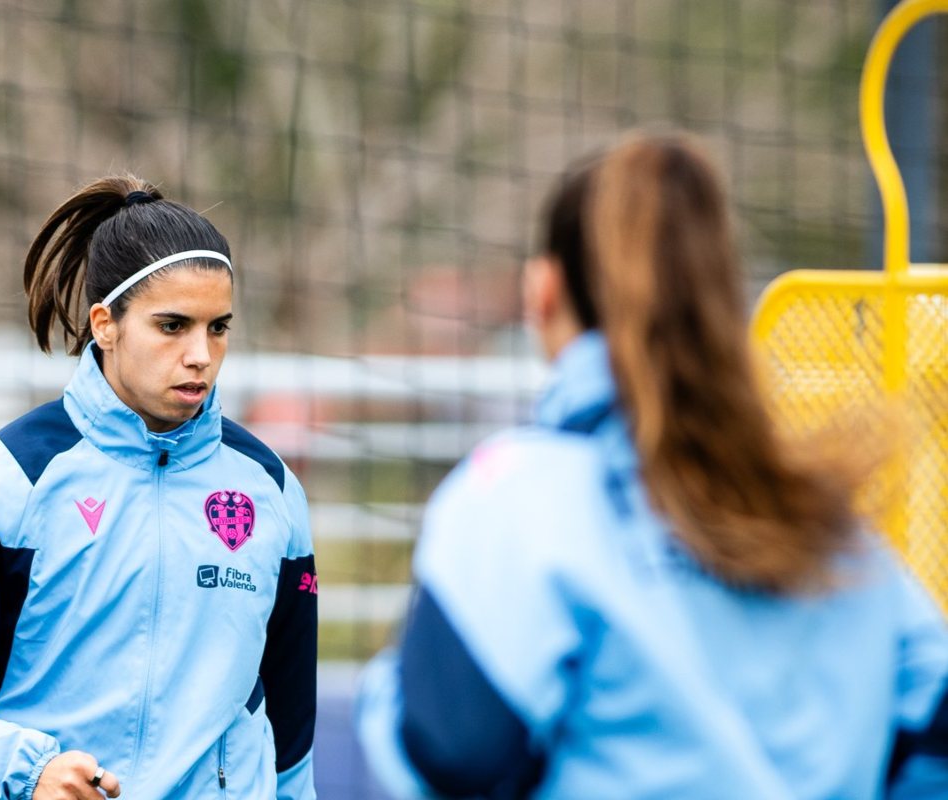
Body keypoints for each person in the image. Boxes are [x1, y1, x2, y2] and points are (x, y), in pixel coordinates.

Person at [355, 132, 948, 798]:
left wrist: (386, 696)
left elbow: (449, 753)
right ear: (723, 301)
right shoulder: (835, 530)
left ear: (542, 293)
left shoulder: (517, 499)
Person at [0, 176, 318, 800]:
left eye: (218, 328)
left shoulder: (268, 487)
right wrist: (29, 773)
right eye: (172, 326)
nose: (201, 355)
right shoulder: (12, 477)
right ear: (105, 324)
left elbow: (291, 728)